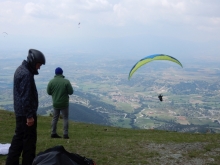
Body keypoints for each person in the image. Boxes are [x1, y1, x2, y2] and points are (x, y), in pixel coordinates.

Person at [6, 49, 46, 165]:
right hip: (25, 115)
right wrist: (29, 116)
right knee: (29, 143)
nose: (39, 68)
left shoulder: (21, 70)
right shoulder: (26, 74)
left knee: (18, 140)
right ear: (33, 62)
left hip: (21, 113)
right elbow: (26, 96)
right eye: (39, 65)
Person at [47, 67, 74, 139]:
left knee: (55, 118)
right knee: (65, 118)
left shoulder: (51, 82)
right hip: (64, 103)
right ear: (62, 73)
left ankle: (53, 132)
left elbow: (49, 92)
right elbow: (71, 92)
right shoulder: (66, 81)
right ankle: (65, 134)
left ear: (55, 73)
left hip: (55, 103)